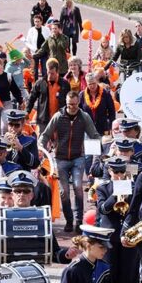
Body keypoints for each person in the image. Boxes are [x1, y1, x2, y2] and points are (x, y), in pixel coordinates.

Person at [38, 90, 100, 232]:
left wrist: (101, 147)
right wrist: (41, 146)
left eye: (73, 104)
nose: (71, 107)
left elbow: (94, 134)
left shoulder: (84, 117)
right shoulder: (58, 117)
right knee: (64, 192)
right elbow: (46, 134)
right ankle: (69, 220)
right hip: (61, 158)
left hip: (78, 157)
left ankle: (78, 221)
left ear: (78, 103)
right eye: (68, 104)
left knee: (78, 187)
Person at [93, 157, 139, 283]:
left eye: (121, 172)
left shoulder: (133, 187)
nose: (118, 175)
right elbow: (103, 209)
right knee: (110, 271)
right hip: (110, 236)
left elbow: (135, 211)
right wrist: (116, 195)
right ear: (110, 171)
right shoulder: (103, 188)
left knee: (127, 271)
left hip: (128, 235)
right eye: (115, 172)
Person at [28, 58, 71, 134]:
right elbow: (31, 98)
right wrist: (27, 112)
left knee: (60, 142)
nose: (49, 76)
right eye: (48, 72)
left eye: (52, 73)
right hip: (43, 120)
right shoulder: (40, 83)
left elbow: (69, 101)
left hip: (60, 119)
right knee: (42, 142)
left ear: (57, 72)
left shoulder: (65, 84)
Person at [80, 71, 116, 138]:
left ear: (97, 82)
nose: (92, 86)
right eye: (90, 84)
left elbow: (112, 111)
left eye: (94, 83)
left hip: (103, 127)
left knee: (103, 147)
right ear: (86, 84)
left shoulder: (105, 93)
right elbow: (79, 112)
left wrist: (112, 126)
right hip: (87, 129)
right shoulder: (82, 95)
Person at [24, 13, 52, 80]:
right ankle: (35, 85)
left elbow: (50, 40)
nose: (36, 23)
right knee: (35, 70)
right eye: (35, 21)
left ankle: (44, 83)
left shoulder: (46, 29)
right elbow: (27, 42)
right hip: (35, 52)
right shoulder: (31, 30)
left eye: (38, 21)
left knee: (44, 70)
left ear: (41, 22)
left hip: (44, 52)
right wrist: (30, 50)